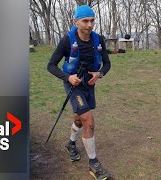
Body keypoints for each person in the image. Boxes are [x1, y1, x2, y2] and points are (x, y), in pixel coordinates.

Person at [47, 5, 111, 180]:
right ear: (76, 22)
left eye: (92, 20)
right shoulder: (67, 40)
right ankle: (94, 164)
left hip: (89, 85)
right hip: (73, 85)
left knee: (79, 118)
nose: (90, 25)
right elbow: (51, 65)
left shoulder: (99, 39)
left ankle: (71, 144)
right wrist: (67, 78)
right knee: (88, 120)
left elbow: (107, 64)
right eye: (85, 21)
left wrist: (100, 74)